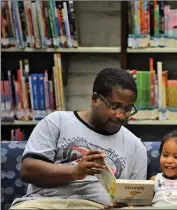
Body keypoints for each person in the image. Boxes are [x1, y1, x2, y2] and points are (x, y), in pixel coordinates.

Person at [11, 67, 148, 209]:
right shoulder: (57, 121)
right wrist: (75, 172)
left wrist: (124, 203)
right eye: (114, 106)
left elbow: (136, 201)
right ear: (95, 99)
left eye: (127, 109)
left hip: (97, 206)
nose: (121, 115)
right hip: (44, 203)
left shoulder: (136, 147)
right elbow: (28, 171)